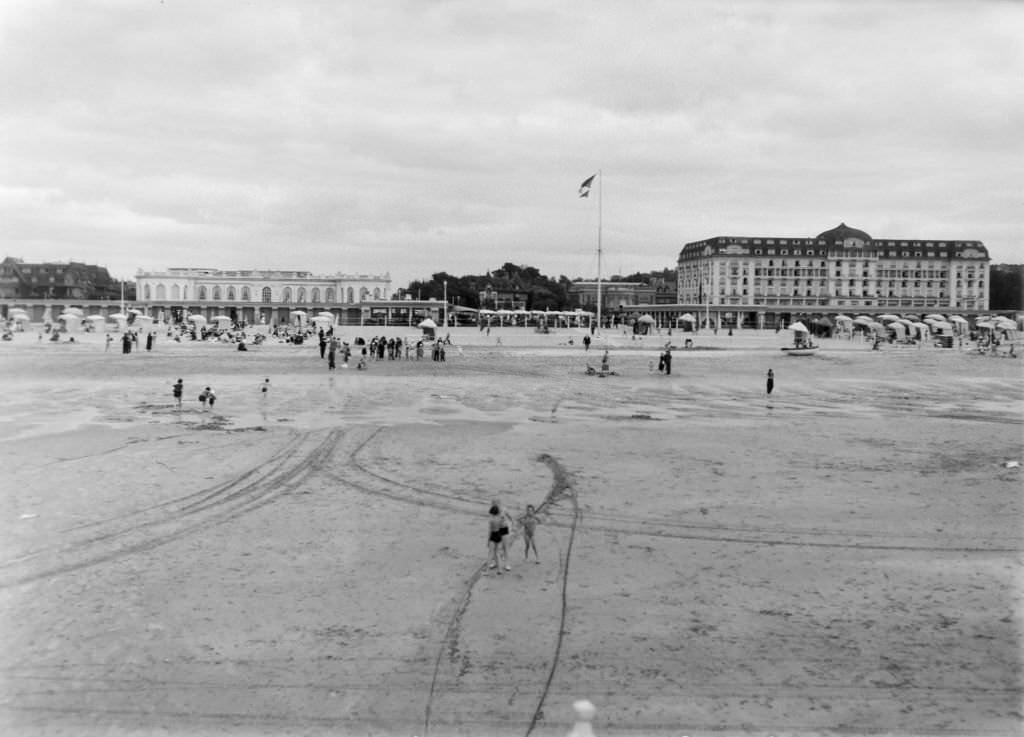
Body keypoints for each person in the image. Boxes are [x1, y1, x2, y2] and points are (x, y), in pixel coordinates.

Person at [487, 505, 507, 574]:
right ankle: (500, 570)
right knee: (497, 553)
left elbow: (490, 531)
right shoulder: (500, 519)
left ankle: (487, 571)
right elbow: (503, 527)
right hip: (499, 535)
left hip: (493, 535)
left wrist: (488, 540)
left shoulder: (491, 520)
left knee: (490, 554)